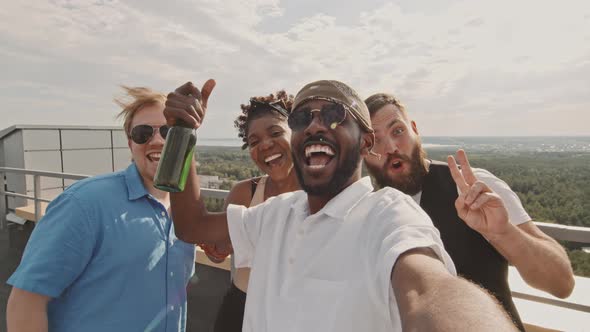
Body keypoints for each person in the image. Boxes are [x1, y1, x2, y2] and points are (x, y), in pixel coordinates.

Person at [163, 79, 518, 331]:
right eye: (302, 118)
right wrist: (182, 133)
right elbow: (192, 224)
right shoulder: (276, 213)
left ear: (366, 143)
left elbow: (431, 292)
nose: (316, 124)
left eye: (334, 114)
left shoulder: (387, 213)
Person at [363, 92, 576, 331]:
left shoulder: (474, 187)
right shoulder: (370, 214)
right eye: (374, 142)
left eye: (398, 131)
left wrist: (503, 233)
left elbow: (561, 282)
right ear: (363, 154)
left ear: (414, 129)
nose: (391, 147)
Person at [6, 87, 197, 332]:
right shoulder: (84, 204)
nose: (157, 140)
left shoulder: (186, 212)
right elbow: (25, 301)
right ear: (130, 143)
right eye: (143, 133)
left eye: (168, 131)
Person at [203, 91, 300, 331]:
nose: (266, 144)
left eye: (276, 133)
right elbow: (223, 250)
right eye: (254, 141)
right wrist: (216, 248)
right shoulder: (244, 192)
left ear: (296, 134)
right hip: (241, 307)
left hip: (295, 314)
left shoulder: (320, 193)